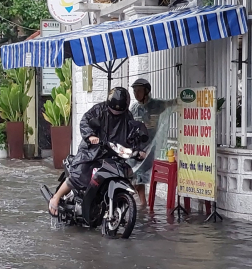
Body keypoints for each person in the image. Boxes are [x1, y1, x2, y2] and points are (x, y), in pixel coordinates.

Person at [48, 87, 146, 215]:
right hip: (93, 151)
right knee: (80, 172)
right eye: (113, 110)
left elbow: (132, 133)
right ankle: (56, 198)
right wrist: (91, 136)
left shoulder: (127, 116)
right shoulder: (99, 109)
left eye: (119, 111)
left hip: (115, 153)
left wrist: (138, 150)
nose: (116, 113)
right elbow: (85, 121)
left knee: (127, 173)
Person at [129, 78, 177, 208]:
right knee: (133, 174)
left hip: (151, 147)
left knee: (138, 174)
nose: (136, 93)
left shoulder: (156, 105)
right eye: (134, 91)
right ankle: (143, 203)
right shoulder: (134, 108)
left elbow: (171, 104)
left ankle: (138, 201)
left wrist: (183, 98)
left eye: (139, 90)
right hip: (137, 147)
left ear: (147, 91)